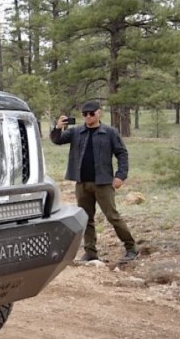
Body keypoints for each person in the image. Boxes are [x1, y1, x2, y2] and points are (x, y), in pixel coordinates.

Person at [50, 100, 138, 263]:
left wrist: (120, 175)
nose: (88, 117)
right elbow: (57, 140)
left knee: (112, 216)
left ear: (99, 113)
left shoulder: (110, 132)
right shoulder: (77, 132)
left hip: (103, 182)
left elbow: (122, 153)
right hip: (82, 183)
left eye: (91, 113)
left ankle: (131, 248)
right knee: (85, 218)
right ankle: (90, 252)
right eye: (85, 114)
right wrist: (57, 128)